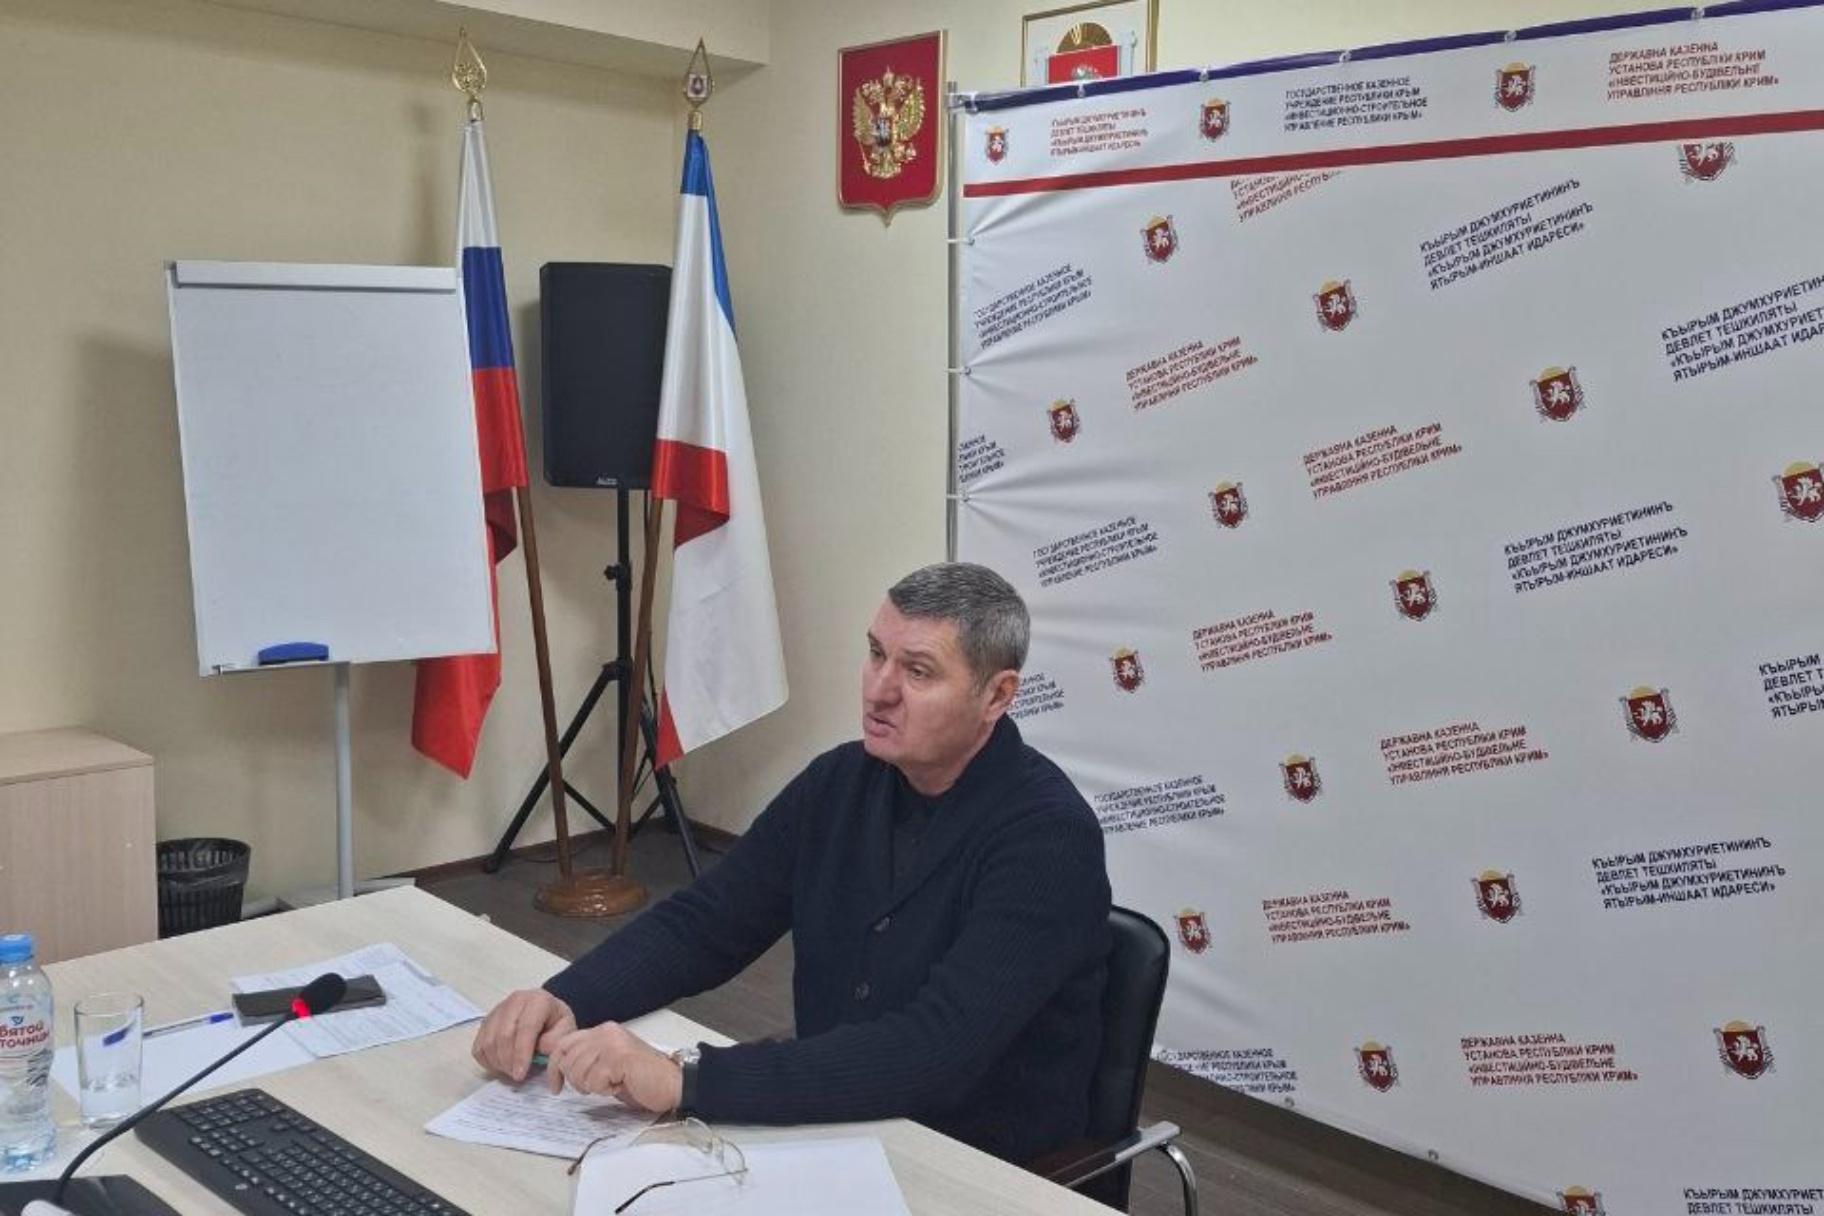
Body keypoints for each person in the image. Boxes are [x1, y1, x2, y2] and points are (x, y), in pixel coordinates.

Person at [471, 562, 1112, 1164]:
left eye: (918, 672)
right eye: (876, 654)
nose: (879, 690)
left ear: (996, 696)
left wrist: (685, 1079)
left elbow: (935, 1052)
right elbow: (707, 922)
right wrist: (566, 999)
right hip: (839, 1118)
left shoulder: (1049, 838)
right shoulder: (839, 782)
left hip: (975, 1160)